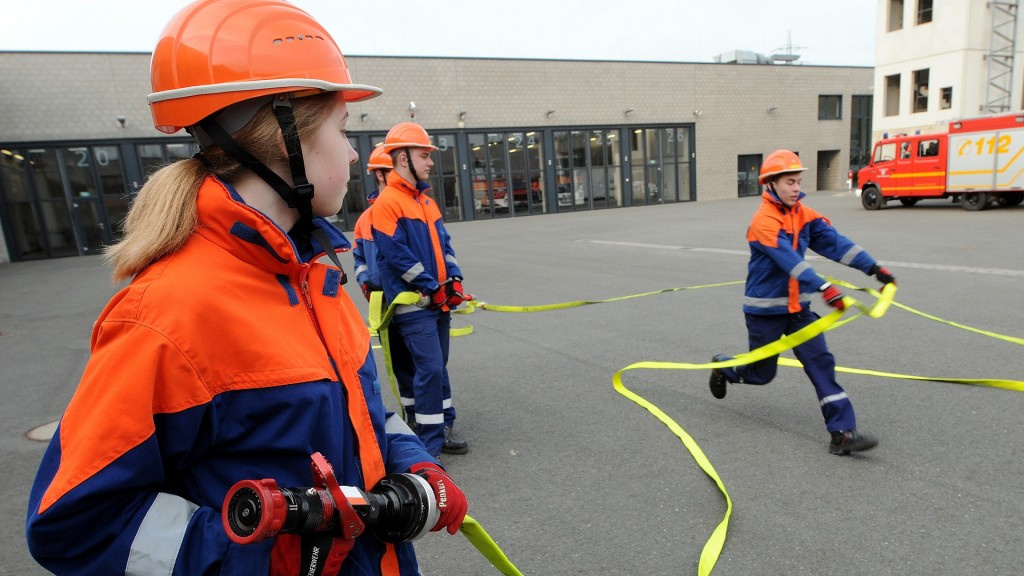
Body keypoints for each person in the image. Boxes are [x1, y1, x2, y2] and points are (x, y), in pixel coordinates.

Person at [25, 1, 466, 575]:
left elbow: (366, 414)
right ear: (288, 137)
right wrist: (260, 555)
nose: (357, 152)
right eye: (341, 127)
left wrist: (413, 465)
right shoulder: (166, 314)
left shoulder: (315, 278)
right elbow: (76, 521)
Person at [708, 150, 897, 456]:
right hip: (764, 312)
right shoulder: (763, 222)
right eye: (789, 182)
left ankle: (842, 433)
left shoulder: (803, 215)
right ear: (770, 184)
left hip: (799, 311)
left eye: (798, 181)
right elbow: (790, 261)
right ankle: (724, 368)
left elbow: (836, 244)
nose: (796, 188)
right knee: (761, 374)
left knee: (821, 363)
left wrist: (873, 268)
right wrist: (824, 287)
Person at [370, 122, 469, 459]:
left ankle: (444, 426)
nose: (430, 162)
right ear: (402, 159)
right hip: (415, 306)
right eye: (424, 155)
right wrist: (431, 285)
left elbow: (445, 245)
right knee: (428, 370)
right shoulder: (387, 203)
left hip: (437, 302)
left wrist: (453, 279)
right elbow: (396, 255)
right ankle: (428, 445)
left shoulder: (426, 203)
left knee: (438, 367)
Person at [352, 147, 417, 428]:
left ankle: (435, 422)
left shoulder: (407, 210)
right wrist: (365, 281)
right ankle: (414, 417)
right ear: (379, 174)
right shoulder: (364, 220)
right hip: (383, 302)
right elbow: (358, 257)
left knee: (426, 366)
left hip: (412, 301)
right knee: (401, 365)